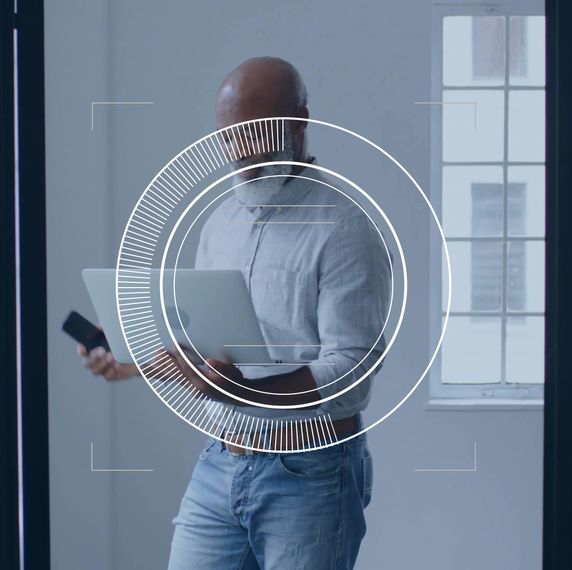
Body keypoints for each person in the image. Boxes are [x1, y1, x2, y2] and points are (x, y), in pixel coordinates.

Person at [77, 56, 390, 570]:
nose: (241, 158)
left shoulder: (347, 226)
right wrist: (133, 361)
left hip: (310, 475)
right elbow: (210, 346)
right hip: (220, 462)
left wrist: (241, 391)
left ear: (299, 123)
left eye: (254, 137)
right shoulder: (220, 219)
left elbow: (352, 375)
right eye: (229, 140)